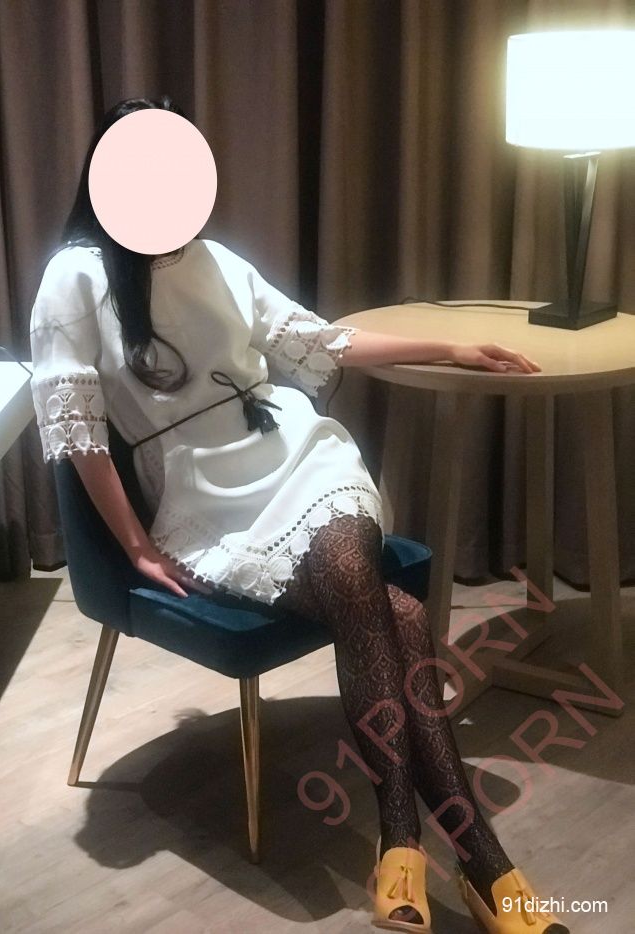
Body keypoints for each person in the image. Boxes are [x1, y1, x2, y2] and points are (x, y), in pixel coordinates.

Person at [29, 96, 568, 934]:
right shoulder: (76, 277)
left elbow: (318, 339)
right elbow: (78, 431)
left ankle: (405, 843)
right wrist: (133, 544)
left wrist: (451, 345)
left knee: (352, 566)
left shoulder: (216, 260)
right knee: (397, 614)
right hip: (201, 489)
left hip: (298, 453)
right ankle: (482, 866)